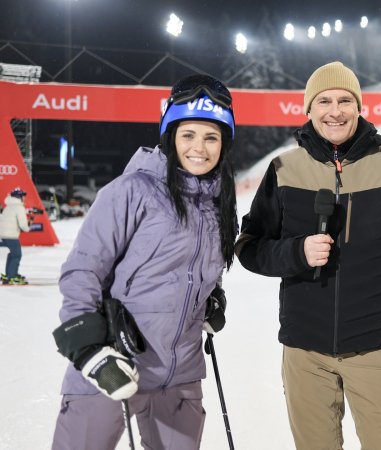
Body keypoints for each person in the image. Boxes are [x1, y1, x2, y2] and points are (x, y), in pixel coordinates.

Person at [235, 61, 381, 450]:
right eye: (324, 101)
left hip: (373, 345)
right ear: (309, 108)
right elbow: (250, 246)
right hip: (304, 352)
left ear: (358, 106)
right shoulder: (284, 169)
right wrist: (296, 251)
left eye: (345, 100)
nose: (335, 111)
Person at [50, 74, 237, 449]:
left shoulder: (218, 204)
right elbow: (82, 271)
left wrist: (210, 299)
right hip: (115, 365)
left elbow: (196, 270)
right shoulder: (132, 190)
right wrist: (90, 351)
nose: (199, 148)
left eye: (211, 137)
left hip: (180, 374)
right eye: (188, 135)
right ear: (170, 135)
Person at [0, 187, 31, 285]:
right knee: (17, 255)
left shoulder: (8, 206)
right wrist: (28, 227)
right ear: (19, 197)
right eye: (23, 196)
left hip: (4, 234)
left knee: (13, 254)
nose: (24, 198)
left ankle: (10, 274)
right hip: (11, 236)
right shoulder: (19, 207)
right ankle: (12, 276)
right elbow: (22, 224)